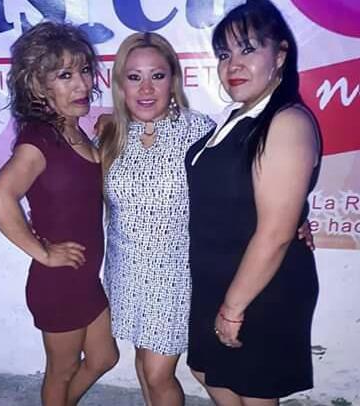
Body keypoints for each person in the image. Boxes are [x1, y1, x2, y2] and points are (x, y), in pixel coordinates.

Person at [185, 1, 320, 404]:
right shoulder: (239, 117)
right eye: (224, 54)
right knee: (209, 371)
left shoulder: (287, 122)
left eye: (247, 49)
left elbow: (275, 234)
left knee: (253, 391)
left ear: (280, 55)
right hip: (219, 274)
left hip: (261, 285)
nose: (233, 64)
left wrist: (233, 307)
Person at [0, 22, 118, 406]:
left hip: (84, 276)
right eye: (64, 76)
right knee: (61, 370)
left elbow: (84, 184)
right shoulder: (39, 141)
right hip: (58, 282)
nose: (82, 84)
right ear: (38, 86)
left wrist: (107, 133)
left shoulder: (73, 132)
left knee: (104, 358)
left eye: (84, 71)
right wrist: (43, 252)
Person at [99, 32, 216, 406]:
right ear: (120, 84)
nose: (146, 89)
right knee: (142, 359)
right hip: (125, 270)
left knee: (157, 372)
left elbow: (239, 187)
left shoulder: (198, 130)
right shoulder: (111, 134)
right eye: (134, 77)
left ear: (174, 80)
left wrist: (295, 216)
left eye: (158, 76)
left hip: (175, 276)